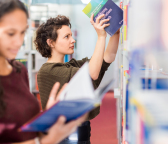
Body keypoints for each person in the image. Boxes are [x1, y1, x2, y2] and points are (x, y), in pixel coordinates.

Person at [0, 0, 87, 144]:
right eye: (10, 33)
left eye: (22, 32)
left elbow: (21, 130)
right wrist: (42, 142)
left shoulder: (18, 70)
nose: (18, 41)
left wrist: (48, 120)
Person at [35, 14, 119, 143]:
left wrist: (115, 33)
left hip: (79, 130)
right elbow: (93, 74)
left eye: (71, 36)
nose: (73, 40)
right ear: (50, 42)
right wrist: (101, 36)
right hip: (63, 135)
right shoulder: (48, 70)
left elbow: (108, 57)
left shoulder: (71, 65)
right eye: (66, 37)